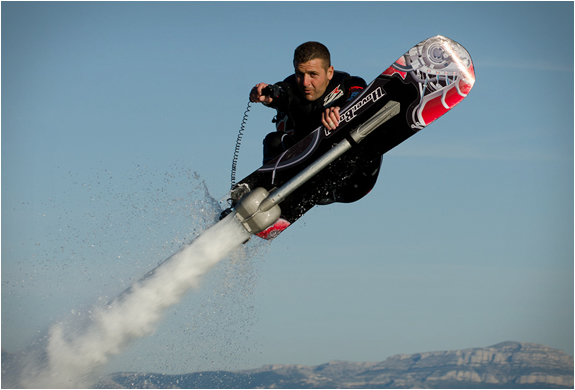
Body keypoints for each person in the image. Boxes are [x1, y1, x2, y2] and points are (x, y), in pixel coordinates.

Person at [249, 41, 368, 164]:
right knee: (273, 140)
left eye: (313, 74)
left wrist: (343, 108)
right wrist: (268, 95)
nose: (305, 82)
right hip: (300, 161)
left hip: (345, 156)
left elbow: (360, 92)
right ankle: (269, 182)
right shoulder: (290, 87)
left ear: (329, 72)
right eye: (300, 74)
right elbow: (281, 93)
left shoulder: (346, 82)